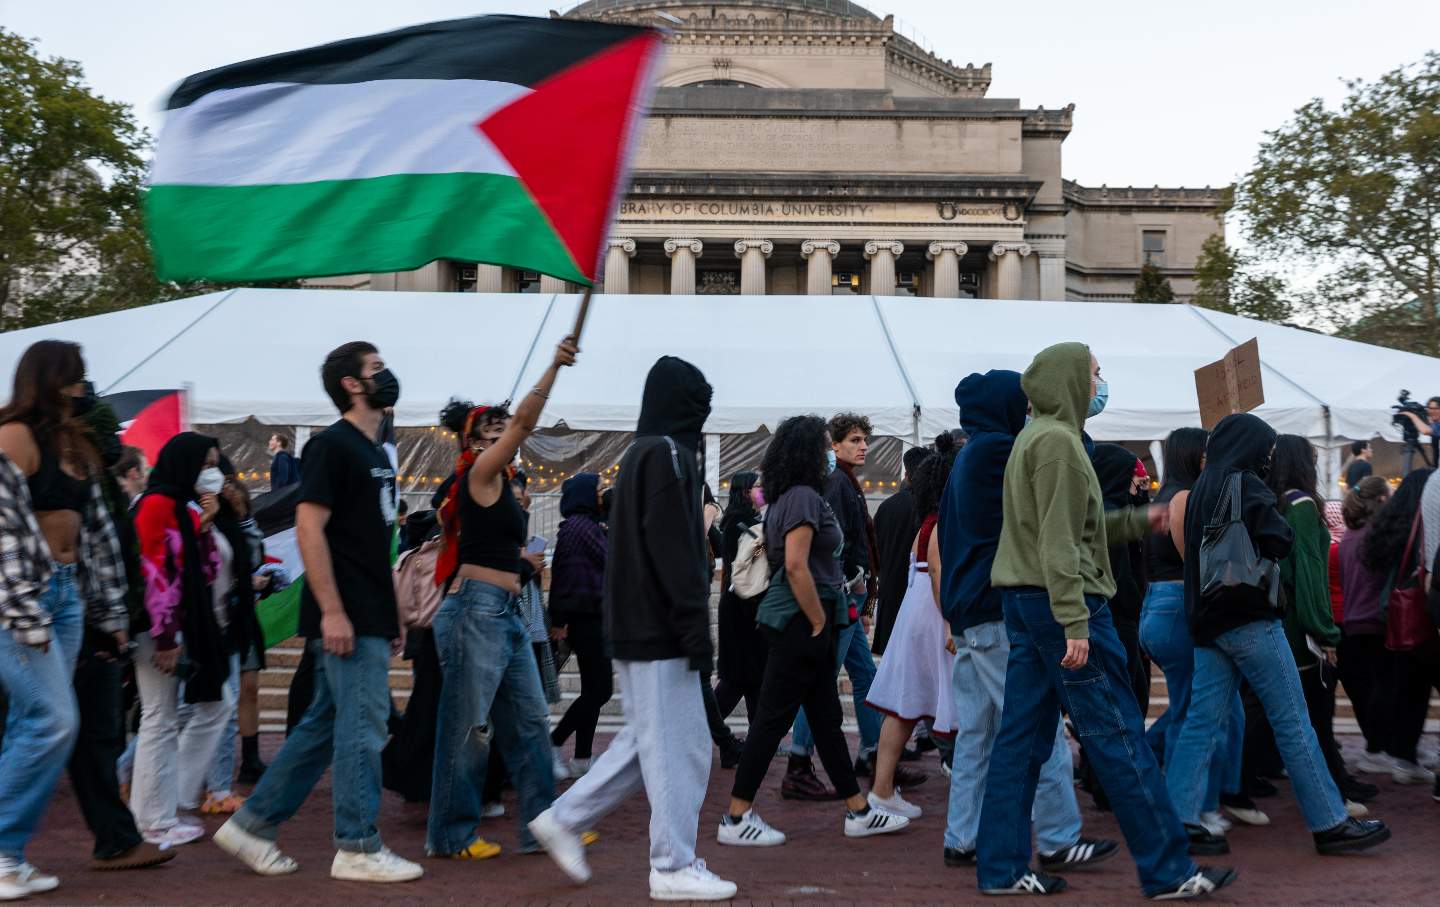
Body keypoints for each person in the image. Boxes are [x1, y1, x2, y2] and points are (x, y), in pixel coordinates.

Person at [979, 343, 1225, 899]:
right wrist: (1074, 621)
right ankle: (1168, 870)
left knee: (1020, 739)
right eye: (1093, 374)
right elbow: (1061, 544)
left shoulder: (1034, 439)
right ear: (1070, 381)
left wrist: (1140, 520)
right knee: (1116, 734)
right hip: (1063, 605)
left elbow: (1069, 530)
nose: (1099, 383)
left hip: (1025, 601)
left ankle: (1001, 867)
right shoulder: (1061, 445)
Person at [529, 356, 737, 903]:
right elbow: (673, 551)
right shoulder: (668, 456)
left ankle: (566, 817)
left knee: (653, 743)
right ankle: (671, 864)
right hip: (658, 627)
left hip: (640, 626)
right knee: (679, 748)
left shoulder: (644, 454)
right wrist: (694, 629)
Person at [215, 341, 422, 883]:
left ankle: (253, 823)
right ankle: (357, 844)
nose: (387, 374)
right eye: (376, 368)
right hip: (347, 613)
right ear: (352, 384)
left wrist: (394, 608)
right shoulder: (333, 447)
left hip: (370, 608)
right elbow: (310, 529)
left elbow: (377, 540)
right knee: (362, 727)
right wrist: (332, 611)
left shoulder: (374, 451)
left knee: (324, 726)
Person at [1166, 412, 1389, 859]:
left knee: (1200, 725)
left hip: (1210, 622)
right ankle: (1330, 822)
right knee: (1294, 722)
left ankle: (1179, 821)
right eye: (1265, 449)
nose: (1269, 457)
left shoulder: (1200, 489)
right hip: (1250, 618)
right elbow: (1280, 539)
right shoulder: (1248, 486)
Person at [940, 369, 1113, 872]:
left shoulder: (970, 453)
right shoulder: (998, 450)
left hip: (971, 611)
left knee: (978, 734)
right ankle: (1059, 836)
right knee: (1036, 727)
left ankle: (962, 835)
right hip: (997, 610)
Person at [716, 414, 910, 848]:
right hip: (803, 619)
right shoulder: (803, 497)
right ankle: (736, 815)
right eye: (825, 444)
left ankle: (858, 809)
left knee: (825, 717)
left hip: (807, 618)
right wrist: (819, 620)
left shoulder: (792, 496)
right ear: (809, 451)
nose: (830, 451)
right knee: (771, 720)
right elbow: (797, 564)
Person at [425, 340, 576, 861]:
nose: (503, 438)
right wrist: (553, 366)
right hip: (475, 610)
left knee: (532, 721)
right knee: (468, 729)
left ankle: (541, 827)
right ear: (474, 444)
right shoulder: (479, 476)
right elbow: (523, 425)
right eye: (491, 433)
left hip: (504, 611)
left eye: (501, 431)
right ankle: (451, 835)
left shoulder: (505, 485)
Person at [1138, 429, 1253, 833]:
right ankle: (1194, 807)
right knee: (1205, 714)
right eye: (1206, 453)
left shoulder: (1165, 496)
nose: (1211, 459)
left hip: (1159, 608)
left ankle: (1148, 780)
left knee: (1198, 710)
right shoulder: (1183, 499)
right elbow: (1197, 563)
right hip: (1177, 610)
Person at [130, 433, 234, 847]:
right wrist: (166, 636)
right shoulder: (156, 505)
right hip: (157, 631)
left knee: (202, 707)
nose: (211, 472)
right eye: (205, 463)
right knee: (159, 718)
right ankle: (154, 817)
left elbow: (205, 571)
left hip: (176, 628)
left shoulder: (180, 508)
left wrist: (206, 524)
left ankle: (163, 806)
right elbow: (154, 573)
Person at [1266, 435, 1374, 811]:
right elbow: (1311, 582)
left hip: (1277, 625)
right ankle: (1332, 789)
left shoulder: (1274, 503)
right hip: (1301, 632)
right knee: (1317, 713)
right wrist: (1326, 634)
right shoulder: (1302, 507)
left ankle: (1330, 780)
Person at [864, 437, 960, 820]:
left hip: (917, 614)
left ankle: (883, 789)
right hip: (935, 616)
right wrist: (952, 622)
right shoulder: (940, 523)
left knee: (904, 708)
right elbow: (938, 572)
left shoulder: (927, 522)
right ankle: (883, 790)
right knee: (944, 705)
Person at [1359, 468, 1439, 786]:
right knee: (1416, 691)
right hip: (1425, 616)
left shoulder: (1393, 525)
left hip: (1396, 618)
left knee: (1405, 688)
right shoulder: (1425, 526)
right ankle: (1405, 756)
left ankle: (1400, 754)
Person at [548, 472, 611, 780]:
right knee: (600, 690)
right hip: (584, 616)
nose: (603, 493)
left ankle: (582, 758)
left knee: (593, 688)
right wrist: (558, 619)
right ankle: (553, 742)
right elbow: (563, 574)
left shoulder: (589, 527)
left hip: (591, 614)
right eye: (599, 489)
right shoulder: (579, 528)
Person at [1334, 477, 1396, 774]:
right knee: (1383, 687)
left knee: (1364, 691)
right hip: (1374, 621)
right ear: (1382, 501)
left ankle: (1377, 747)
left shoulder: (1350, 536)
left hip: (1351, 621)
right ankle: (1381, 747)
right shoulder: (1376, 536)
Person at [713, 470, 767, 724]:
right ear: (746, 492)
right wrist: (763, 545)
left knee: (753, 679)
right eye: (758, 486)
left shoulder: (743, 520)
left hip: (744, 604)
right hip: (743, 605)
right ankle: (709, 730)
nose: (762, 490)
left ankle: (758, 742)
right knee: (738, 679)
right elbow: (744, 563)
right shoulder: (740, 523)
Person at [872, 446, 932, 655]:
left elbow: (875, 551)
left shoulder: (887, 507)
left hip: (890, 594)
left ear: (906, 474)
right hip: (920, 598)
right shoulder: (932, 508)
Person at [1398, 395, 1440, 468]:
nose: (1432, 411)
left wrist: (1411, 415)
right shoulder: (1434, 424)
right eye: (1429, 408)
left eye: (1436, 409)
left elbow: (1425, 431)